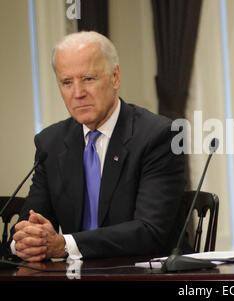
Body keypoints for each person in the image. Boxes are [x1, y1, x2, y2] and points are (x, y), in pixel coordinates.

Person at [11, 31, 186, 261]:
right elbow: (31, 223)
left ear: (115, 77)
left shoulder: (159, 135)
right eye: (66, 82)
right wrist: (23, 243)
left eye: (88, 79)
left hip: (142, 273)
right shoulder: (50, 143)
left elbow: (150, 231)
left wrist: (66, 245)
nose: (78, 93)